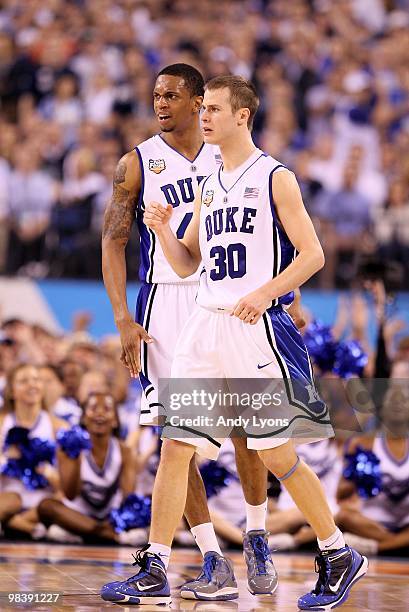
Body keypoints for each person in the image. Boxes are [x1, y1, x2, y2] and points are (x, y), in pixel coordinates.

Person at [101, 75, 368, 609]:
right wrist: (161, 229)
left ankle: (337, 551)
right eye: (205, 109)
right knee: (176, 444)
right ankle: (154, 565)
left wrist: (267, 293)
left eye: (215, 109)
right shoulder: (208, 183)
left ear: (243, 116)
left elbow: (312, 255)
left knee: (274, 452)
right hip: (205, 323)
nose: (205, 117)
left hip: (253, 329)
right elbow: (187, 261)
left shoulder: (276, 178)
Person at [101, 63, 284, 598]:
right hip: (163, 302)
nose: (161, 104)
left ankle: (257, 536)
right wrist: (122, 319)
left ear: (202, 101)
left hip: (223, 302)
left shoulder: (232, 152)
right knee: (174, 440)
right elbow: (113, 241)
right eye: (155, 95)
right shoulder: (137, 162)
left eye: (173, 95)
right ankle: (208, 556)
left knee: (246, 430)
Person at [38, 392, 143, 546]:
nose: (99, 413)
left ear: (115, 420)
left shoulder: (125, 451)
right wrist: (77, 459)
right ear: (84, 418)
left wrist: (121, 519)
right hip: (78, 514)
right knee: (46, 506)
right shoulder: (68, 447)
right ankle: (110, 535)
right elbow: (70, 494)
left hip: (110, 516)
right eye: (93, 408)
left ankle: (86, 533)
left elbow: (128, 498)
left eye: (106, 409)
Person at [336, 380, 409, 555]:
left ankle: (377, 547)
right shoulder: (364, 443)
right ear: (382, 408)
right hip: (370, 523)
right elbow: (340, 494)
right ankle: (398, 545)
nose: (397, 404)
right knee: (344, 516)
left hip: (406, 523)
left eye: (403, 400)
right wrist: (359, 477)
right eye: (392, 400)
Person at [0, 364, 67, 538]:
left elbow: (68, 488)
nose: (32, 385)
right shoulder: (2, 423)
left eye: (36, 380)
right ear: (12, 391)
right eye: (23, 381)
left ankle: (13, 524)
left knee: (57, 504)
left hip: (41, 504)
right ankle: (30, 529)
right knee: (12, 499)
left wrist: (50, 475)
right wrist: (5, 461)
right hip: (7, 498)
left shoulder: (58, 427)